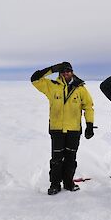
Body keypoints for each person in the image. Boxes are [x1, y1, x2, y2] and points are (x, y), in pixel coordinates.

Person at [31, 62, 95, 195]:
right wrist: (52, 69)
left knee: (71, 159)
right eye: (63, 71)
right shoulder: (51, 86)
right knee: (56, 159)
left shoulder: (80, 88)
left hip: (74, 130)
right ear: (60, 73)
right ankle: (55, 184)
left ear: (72, 72)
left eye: (68, 71)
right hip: (57, 129)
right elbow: (35, 79)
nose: (66, 73)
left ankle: (68, 183)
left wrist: (89, 125)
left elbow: (88, 106)